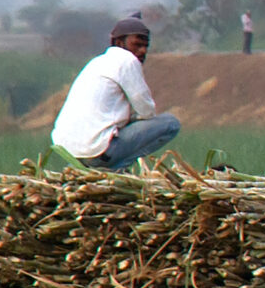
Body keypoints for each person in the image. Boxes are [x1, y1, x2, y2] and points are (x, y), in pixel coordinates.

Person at [51, 14, 181, 172]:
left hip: (69, 152)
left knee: (127, 123)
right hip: (97, 151)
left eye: (146, 46)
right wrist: (135, 119)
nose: (142, 51)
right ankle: (117, 168)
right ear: (119, 43)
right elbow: (147, 110)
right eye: (137, 45)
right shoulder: (126, 60)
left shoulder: (97, 62)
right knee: (170, 123)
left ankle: (85, 167)